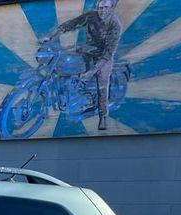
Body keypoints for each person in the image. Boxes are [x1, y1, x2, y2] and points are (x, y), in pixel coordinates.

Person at [43, 0, 123, 130]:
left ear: (112, 8)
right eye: (100, 7)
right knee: (64, 62)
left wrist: (91, 72)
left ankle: (103, 117)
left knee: (102, 83)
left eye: (106, 7)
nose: (103, 10)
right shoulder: (91, 16)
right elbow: (71, 24)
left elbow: (109, 52)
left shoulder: (115, 25)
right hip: (87, 50)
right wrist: (50, 36)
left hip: (103, 57)